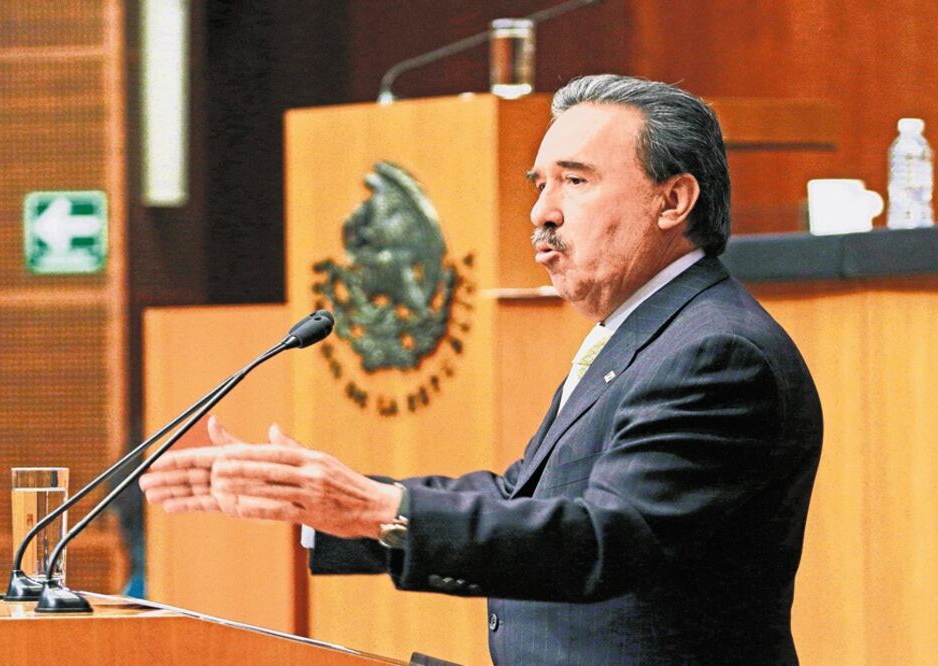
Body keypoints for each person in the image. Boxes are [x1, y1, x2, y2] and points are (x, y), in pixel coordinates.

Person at [140, 74, 823, 665]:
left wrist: (379, 510)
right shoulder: (648, 335)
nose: (541, 211)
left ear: (673, 201)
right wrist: (336, 510)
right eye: (541, 184)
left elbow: (604, 540)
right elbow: (523, 499)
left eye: (575, 181)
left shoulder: (716, 353)